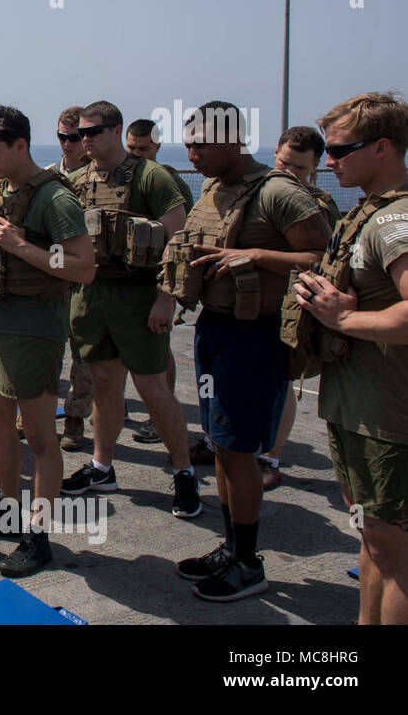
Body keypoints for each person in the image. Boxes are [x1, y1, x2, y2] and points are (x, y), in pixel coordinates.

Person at [165, 101, 329, 601]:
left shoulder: (278, 192)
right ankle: (232, 547)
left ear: (234, 141)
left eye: (201, 144)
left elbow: (322, 255)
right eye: (188, 143)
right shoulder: (215, 188)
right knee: (220, 446)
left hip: (254, 337)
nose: (191, 154)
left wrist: (255, 254)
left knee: (239, 451)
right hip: (213, 329)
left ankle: (248, 563)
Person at [0, 105, 95, 576]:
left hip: (34, 330)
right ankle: (6, 509)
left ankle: (38, 535)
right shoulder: (1, 190)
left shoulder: (55, 200)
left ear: (20, 145)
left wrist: (22, 247)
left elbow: (83, 266)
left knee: (38, 436)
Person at [294, 92, 408, 624]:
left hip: (388, 416)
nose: (330, 161)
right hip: (356, 406)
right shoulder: (366, 211)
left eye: (341, 151)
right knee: (371, 536)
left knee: (395, 551)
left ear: (382, 147)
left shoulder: (395, 222)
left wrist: (343, 321)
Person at [64, 101, 200, 518]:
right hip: (92, 295)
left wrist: (166, 298)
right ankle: (103, 466)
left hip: (140, 295)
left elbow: (181, 243)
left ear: (117, 130)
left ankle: (183, 472)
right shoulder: (76, 180)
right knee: (105, 382)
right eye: (78, 134)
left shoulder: (152, 177)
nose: (84, 140)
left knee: (152, 388)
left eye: (93, 132)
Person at [263, 126, 339, 488]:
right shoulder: (261, 191)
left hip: (291, 308)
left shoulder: (317, 204)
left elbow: (325, 257)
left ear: (313, 168)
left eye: (296, 169)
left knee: (282, 381)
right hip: (254, 305)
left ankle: (271, 456)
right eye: (282, 163)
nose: (286, 173)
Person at [125, 118, 197, 446]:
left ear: (157, 147)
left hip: (157, 280)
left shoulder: (166, 181)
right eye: (131, 148)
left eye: (143, 149)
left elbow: (183, 236)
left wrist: (168, 295)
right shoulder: (123, 178)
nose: (137, 154)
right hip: (127, 281)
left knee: (159, 354)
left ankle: (160, 418)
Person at [47, 106, 95, 451]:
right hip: (51, 273)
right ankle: (33, 415)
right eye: (62, 137)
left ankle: (75, 419)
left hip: (86, 276)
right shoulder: (49, 177)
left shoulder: (99, 179)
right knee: (45, 347)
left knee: (82, 354)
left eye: (74, 137)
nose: (68, 144)